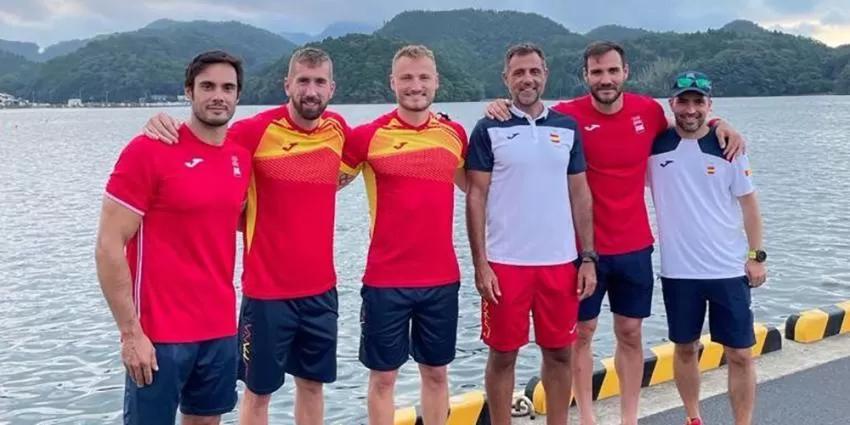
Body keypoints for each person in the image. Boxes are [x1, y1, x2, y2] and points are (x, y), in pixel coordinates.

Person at [485, 41, 746, 425]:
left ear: (625, 72)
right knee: (580, 334)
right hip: (582, 250)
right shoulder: (568, 116)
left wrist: (723, 124)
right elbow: (530, 113)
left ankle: (629, 418)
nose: (605, 79)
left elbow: (688, 125)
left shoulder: (648, 112)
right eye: (597, 72)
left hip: (634, 245)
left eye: (612, 71)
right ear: (585, 76)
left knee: (630, 333)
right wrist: (499, 106)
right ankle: (587, 417)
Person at [141, 47, 349, 425]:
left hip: (322, 291)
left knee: (312, 386)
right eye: (303, 81)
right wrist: (161, 123)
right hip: (267, 293)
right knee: (257, 393)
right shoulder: (254, 131)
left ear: (332, 88)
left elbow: (377, 145)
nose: (311, 90)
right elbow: (204, 142)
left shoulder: (337, 130)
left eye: (320, 82)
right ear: (287, 85)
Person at [95, 50, 250, 425]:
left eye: (227, 88)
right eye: (207, 86)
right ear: (188, 91)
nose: (218, 96)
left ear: (238, 95)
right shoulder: (149, 150)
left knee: (207, 421)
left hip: (219, 328)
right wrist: (130, 334)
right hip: (159, 334)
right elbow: (108, 245)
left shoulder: (240, 158)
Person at [466, 43, 596, 425]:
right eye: (519, 73)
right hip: (506, 264)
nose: (527, 79)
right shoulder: (489, 128)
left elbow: (580, 194)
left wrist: (588, 258)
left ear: (545, 75)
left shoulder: (566, 127)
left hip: (560, 263)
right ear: (506, 78)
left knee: (560, 353)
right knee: (503, 355)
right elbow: (476, 196)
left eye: (534, 71)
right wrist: (480, 264)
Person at [339, 44, 468, 425]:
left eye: (423, 77)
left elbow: (479, 189)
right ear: (392, 82)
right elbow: (318, 186)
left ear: (437, 81)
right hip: (385, 281)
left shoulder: (454, 134)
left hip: (441, 278)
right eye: (407, 77)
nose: (416, 85)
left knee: (437, 374)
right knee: (383, 379)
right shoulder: (367, 137)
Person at [647, 71, 766, 425]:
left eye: (698, 102)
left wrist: (756, 257)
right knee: (685, 348)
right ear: (672, 104)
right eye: (683, 101)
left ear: (709, 104)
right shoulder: (655, 146)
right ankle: (693, 418)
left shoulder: (729, 147)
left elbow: (750, 205)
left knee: (740, 354)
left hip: (728, 269)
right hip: (678, 271)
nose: (690, 109)